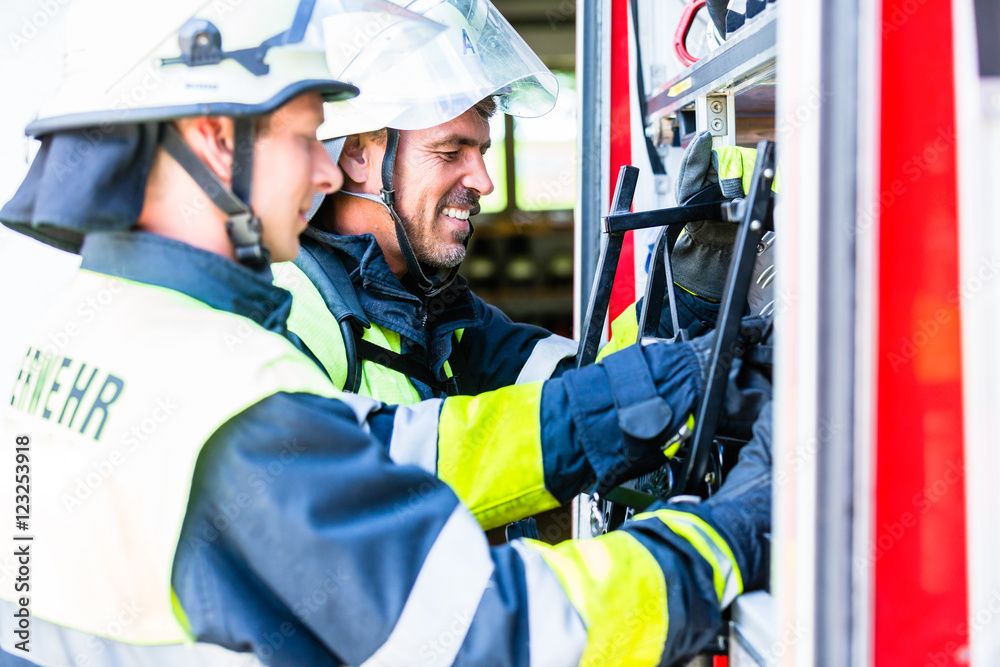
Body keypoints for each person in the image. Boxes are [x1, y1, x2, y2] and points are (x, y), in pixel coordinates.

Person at [0, 0, 771, 665]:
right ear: (213, 138)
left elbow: (377, 447)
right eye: (306, 135)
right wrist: (725, 538)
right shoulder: (231, 403)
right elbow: (497, 637)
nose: (326, 169)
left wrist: (674, 353)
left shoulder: (88, 329)